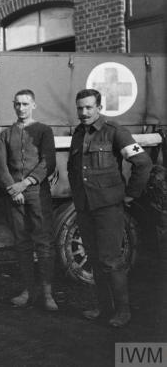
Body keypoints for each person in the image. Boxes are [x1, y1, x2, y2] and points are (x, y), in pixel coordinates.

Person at [68, 89, 152, 327]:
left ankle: (123, 311)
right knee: (95, 259)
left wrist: (130, 195)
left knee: (111, 260)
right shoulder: (78, 134)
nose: (84, 112)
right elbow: (74, 170)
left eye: (88, 107)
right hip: (85, 208)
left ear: (99, 107)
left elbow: (142, 163)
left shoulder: (115, 132)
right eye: (80, 108)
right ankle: (103, 308)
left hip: (108, 208)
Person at [0, 89, 58, 311]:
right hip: (14, 194)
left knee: (43, 241)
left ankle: (48, 293)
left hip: (37, 193)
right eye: (17, 104)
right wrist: (13, 189)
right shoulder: (5, 134)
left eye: (25, 104)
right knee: (22, 243)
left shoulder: (43, 131)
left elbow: (48, 162)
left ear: (34, 105)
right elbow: (1, 166)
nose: (21, 108)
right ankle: (28, 290)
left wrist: (26, 183)